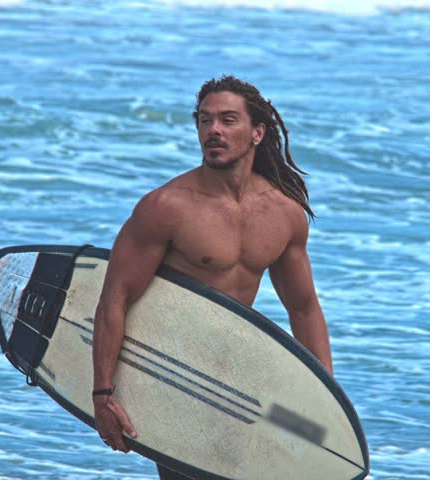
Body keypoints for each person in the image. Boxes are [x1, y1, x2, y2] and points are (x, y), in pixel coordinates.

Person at [91, 75, 333, 480]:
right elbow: (115, 298)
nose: (213, 131)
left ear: (257, 132)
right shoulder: (166, 207)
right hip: (170, 375)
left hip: (238, 376)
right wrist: (103, 394)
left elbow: (304, 309)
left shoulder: (283, 214)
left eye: (227, 120)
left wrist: (328, 401)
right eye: (204, 121)